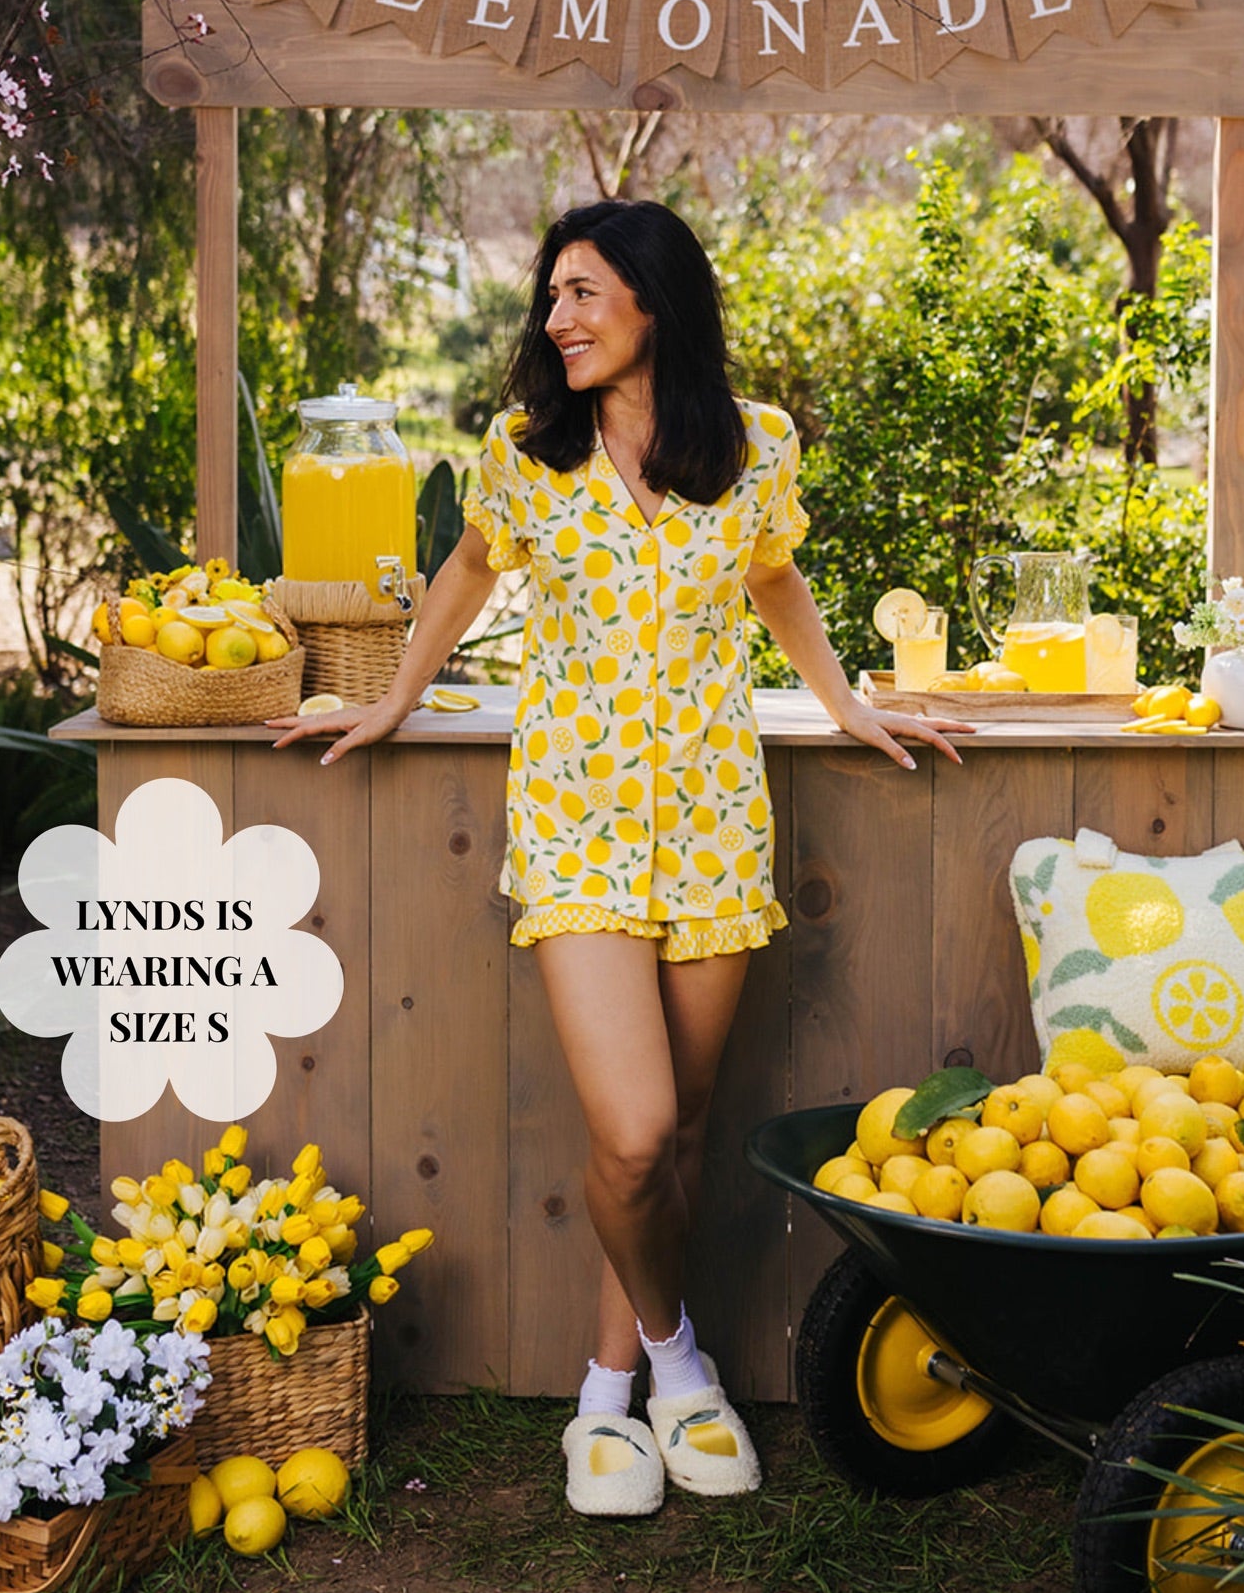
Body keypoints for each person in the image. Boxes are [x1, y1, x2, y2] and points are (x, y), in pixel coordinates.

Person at [270, 200, 969, 1516]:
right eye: (553, 295)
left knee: (683, 1130)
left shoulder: (757, 444)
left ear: (656, 299)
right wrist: (392, 699)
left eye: (583, 292)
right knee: (635, 1133)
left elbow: (775, 581)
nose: (558, 317)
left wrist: (848, 705)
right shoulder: (528, 451)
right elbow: (467, 570)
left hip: (713, 818)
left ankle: (608, 1393)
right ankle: (678, 1360)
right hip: (576, 821)